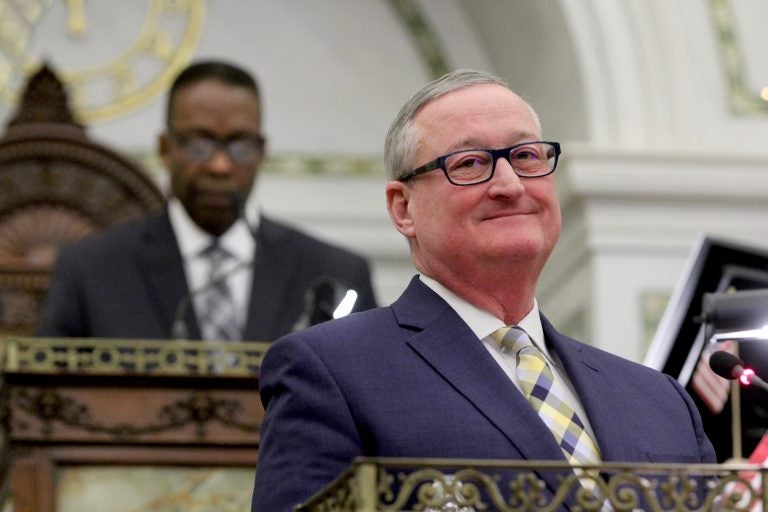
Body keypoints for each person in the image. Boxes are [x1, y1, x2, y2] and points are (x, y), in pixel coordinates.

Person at [251, 69, 716, 511]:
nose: (510, 184)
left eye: (527, 156)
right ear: (403, 207)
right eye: (471, 163)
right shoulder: (332, 371)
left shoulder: (660, 400)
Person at [36, 60, 376, 341]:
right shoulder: (92, 270)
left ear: (262, 152)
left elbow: (369, 401)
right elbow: (46, 409)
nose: (220, 165)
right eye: (199, 144)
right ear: (165, 149)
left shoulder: (335, 274)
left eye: (240, 145)